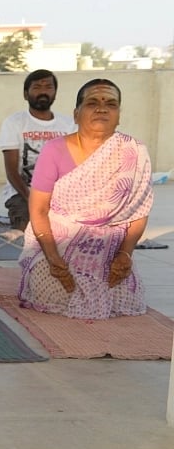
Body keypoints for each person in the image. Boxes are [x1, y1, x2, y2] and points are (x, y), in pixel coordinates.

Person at [18, 79, 153, 319]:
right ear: (76, 113)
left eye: (111, 104)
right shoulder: (54, 149)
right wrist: (52, 258)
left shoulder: (133, 151)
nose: (102, 109)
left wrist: (125, 255)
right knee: (51, 291)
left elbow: (139, 211)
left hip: (110, 247)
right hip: (58, 243)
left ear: (119, 115)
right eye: (92, 102)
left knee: (126, 299)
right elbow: (38, 209)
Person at [0, 69, 74, 230]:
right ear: (26, 94)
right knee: (32, 231)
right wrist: (33, 199)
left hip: (61, 195)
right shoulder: (14, 123)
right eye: (37, 87)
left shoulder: (68, 125)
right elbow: (12, 172)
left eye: (48, 87)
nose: (43, 91)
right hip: (23, 194)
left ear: (55, 93)